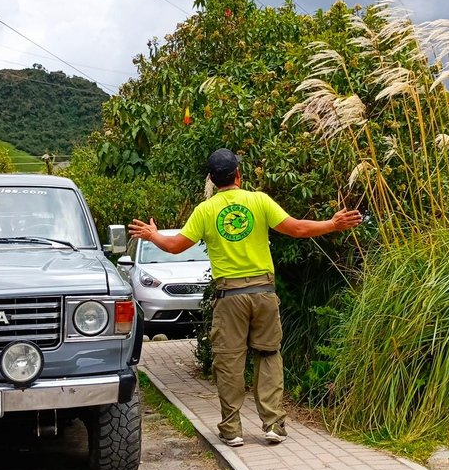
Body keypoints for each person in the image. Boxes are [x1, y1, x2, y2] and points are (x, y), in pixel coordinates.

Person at [128, 148, 362, 447]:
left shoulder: (205, 210)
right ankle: (273, 425)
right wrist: (333, 224)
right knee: (268, 355)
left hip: (230, 296)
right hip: (264, 293)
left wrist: (152, 235)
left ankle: (232, 430)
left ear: (211, 179)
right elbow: (297, 228)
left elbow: (174, 246)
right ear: (238, 173)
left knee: (229, 362)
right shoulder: (259, 200)